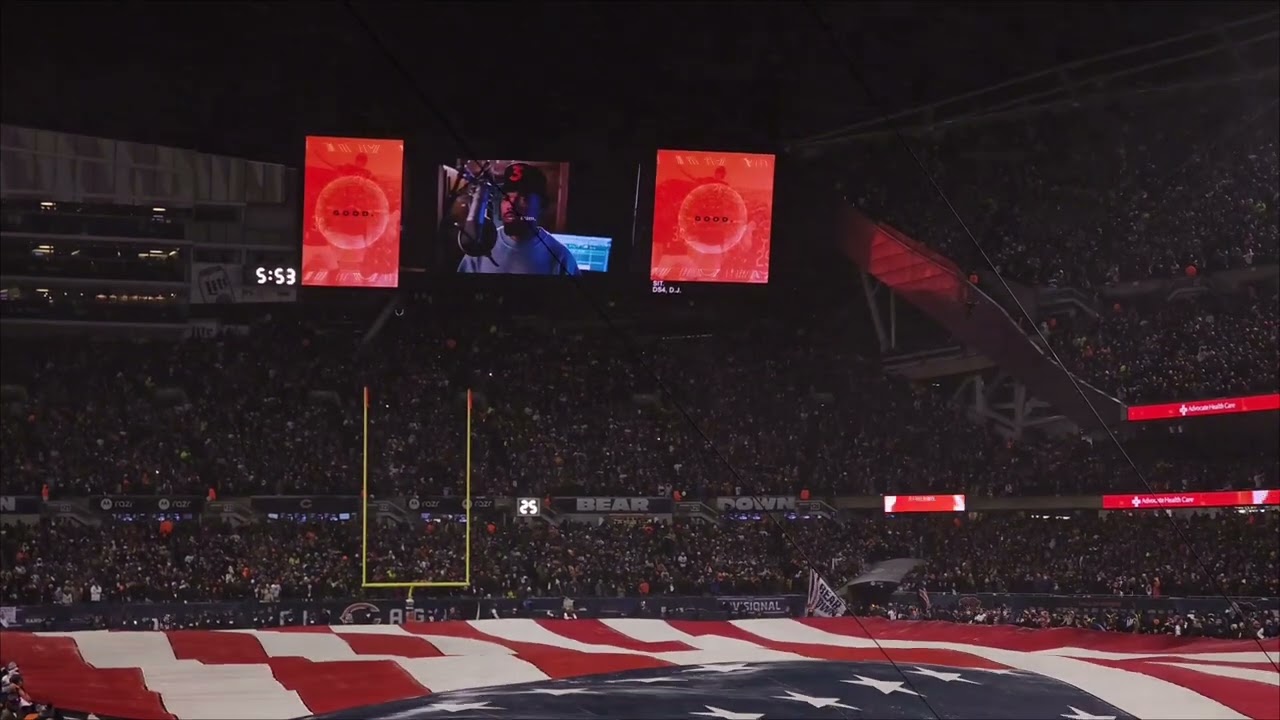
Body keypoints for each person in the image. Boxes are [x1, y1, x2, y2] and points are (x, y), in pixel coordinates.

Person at [458, 163, 580, 276]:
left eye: (523, 198)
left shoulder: (560, 256)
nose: (511, 205)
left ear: (542, 205)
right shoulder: (480, 245)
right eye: (506, 197)